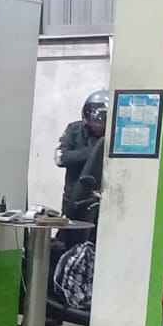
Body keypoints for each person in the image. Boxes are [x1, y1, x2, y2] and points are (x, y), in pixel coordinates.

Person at [54, 89, 107, 248]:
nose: (98, 124)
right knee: (68, 243)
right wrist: (96, 152)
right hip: (74, 198)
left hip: (101, 201)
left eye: (102, 120)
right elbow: (61, 157)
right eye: (95, 119)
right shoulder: (74, 129)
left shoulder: (114, 136)